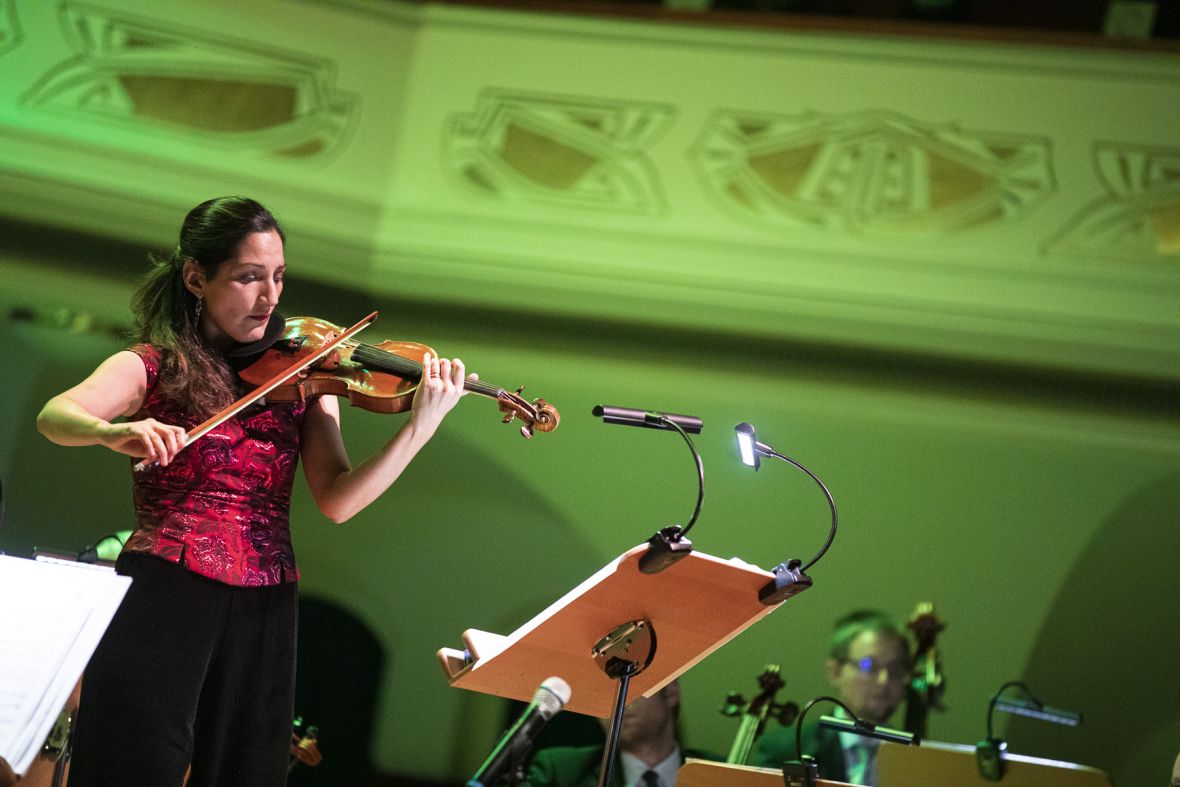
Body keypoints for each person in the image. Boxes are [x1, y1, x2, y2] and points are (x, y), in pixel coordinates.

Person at [35, 196, 471, 787]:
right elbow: (56, 416)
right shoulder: (153, 365)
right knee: (134, 765)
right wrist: (116, 431)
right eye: (248, 277)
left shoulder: (307, 376)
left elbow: (339, 500)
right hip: (167, 588)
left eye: (278, 276)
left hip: (266, 601)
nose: (270, 298)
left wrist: (419, 427)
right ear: (196, 277)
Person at [750, 610, 911, 786]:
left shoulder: (919, 760)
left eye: (895, 669)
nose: (884, 681)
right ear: (835, 671)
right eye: (868, 665)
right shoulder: (784, 750)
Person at [527, 681, 716, 787]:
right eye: (604, 693)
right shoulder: (560, 771)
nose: (617, 702)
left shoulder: (723, 773)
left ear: (671, 692)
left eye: (631, 687)